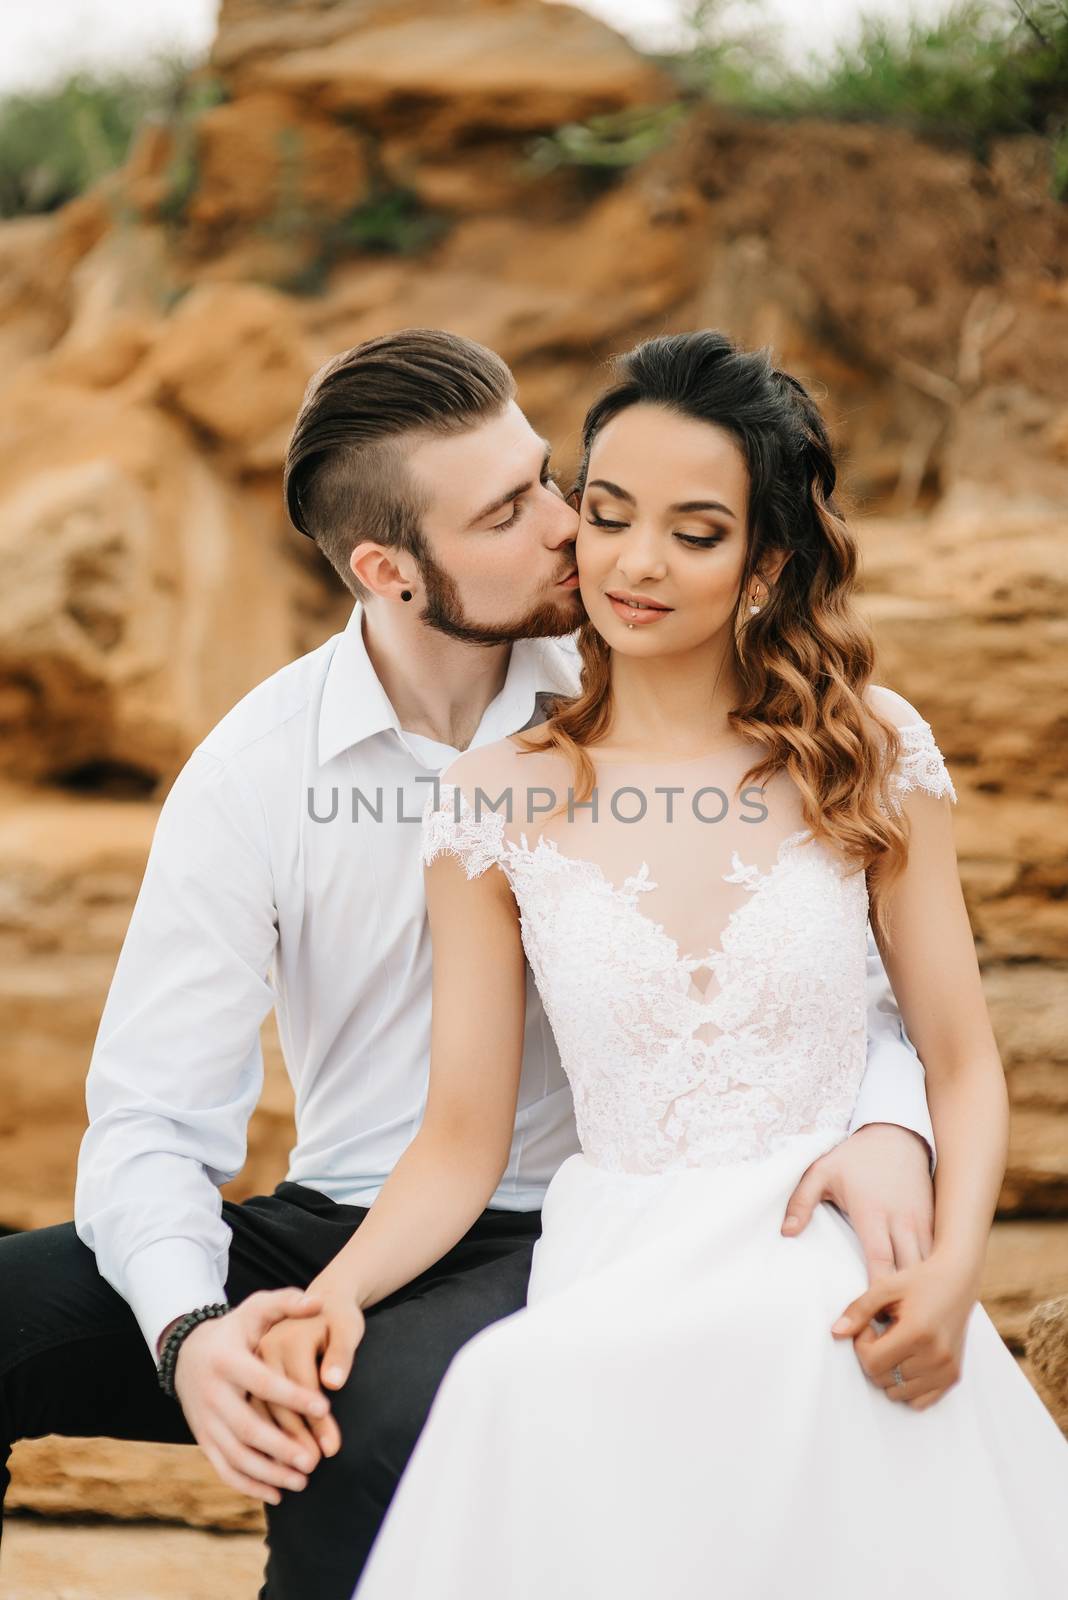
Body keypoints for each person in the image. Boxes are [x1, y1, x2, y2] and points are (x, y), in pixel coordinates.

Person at [0, 331, 938, 1600]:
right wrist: (192, 1335)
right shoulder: (256, 771)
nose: (572, 529)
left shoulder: (639, 684)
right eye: (512, 510)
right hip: (341, 1220)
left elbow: (824, 969)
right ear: (390, 569)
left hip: (565, 1225)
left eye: (551, 478)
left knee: (354, 1425)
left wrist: (895, 1125)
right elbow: (151, 1122)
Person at [263, 331, 1068, 1598]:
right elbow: (461, 1139)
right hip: (624, 1243)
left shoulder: (868, 751)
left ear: (767, 564)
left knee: (799, 1369)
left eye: (695, 533)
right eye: (608, 512)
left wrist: (958, 1266)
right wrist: (336, 1294)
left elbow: (961, 1060)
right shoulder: (490, 804)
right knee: (512, 1390)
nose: (634, 562)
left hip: (824, 1240)